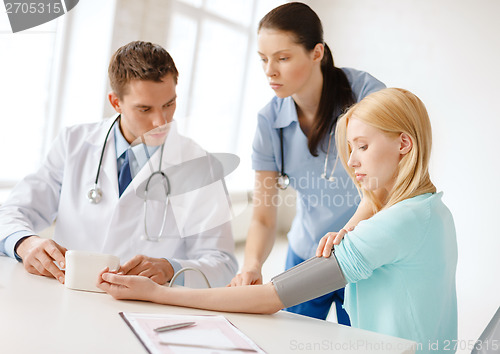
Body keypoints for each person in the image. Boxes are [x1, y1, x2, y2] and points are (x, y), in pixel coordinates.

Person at [97, 88, 458, 352]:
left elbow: (273, 296)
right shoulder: (431, 209)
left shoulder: (396, 224)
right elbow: (376, 204)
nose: (353, 161)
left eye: (362, 146)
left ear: (404, 144)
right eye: (350, 149)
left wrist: (159, 294)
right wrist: (350, 228)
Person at [0, 41, 237, 288]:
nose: (161, 121)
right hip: (66, 295)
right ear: (116, 102)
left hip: (145, 308)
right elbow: (12, 212)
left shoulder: (201, 166)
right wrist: (25, 243)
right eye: (145, 109)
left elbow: (223, 264)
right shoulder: (74, 143)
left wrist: (170, 268)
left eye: (169, 104)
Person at [228, 2, 385, 323]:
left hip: (363, 253)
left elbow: (388, 184)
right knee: (292, 339)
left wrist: (346, 235)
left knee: (360, 343)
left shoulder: (366, 95)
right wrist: (252, 266)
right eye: (263, 59)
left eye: (283, 58)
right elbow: (263, 216)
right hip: (306, 252)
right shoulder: (269, 122)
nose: (270, 70)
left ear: (317, 53)